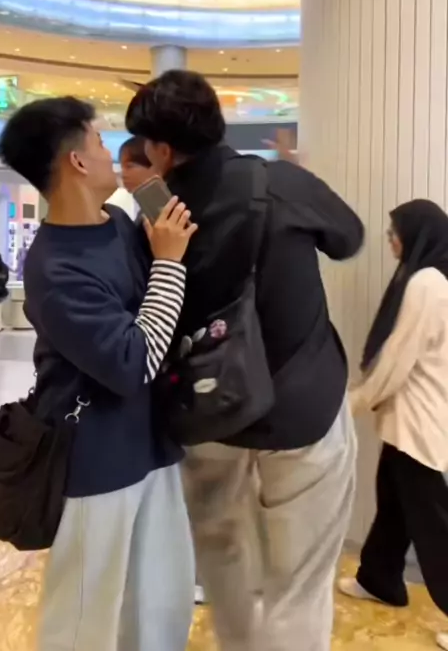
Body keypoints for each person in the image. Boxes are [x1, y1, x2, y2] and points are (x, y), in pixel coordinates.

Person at [125, 69, 364, 651]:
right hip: (302, 407)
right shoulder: (280, 182)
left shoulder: (154, 212)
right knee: (298, 583)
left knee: (222, 555)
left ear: (161, 150)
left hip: (207, 413)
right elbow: (349, 237)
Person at [0, 96, 197, 651]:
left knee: (160, 602)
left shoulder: (119, 223)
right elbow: (133, 363)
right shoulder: (54, 268)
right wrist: (168, 262)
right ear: (78, 162)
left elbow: (161, 310)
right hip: (95, 458)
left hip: (152, 445)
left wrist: (167, 243)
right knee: (85, 616)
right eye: (100, 142)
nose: (113, 155)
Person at [340, 200, 448, 651]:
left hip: (419, 419)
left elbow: (397, 359)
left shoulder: (427, 282)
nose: (390, 240)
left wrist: (352, 403)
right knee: (394, 502)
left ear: (417, 233)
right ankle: (380, 578)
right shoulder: (427, 276)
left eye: (394, 232)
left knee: (434, 523)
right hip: (410, 417)